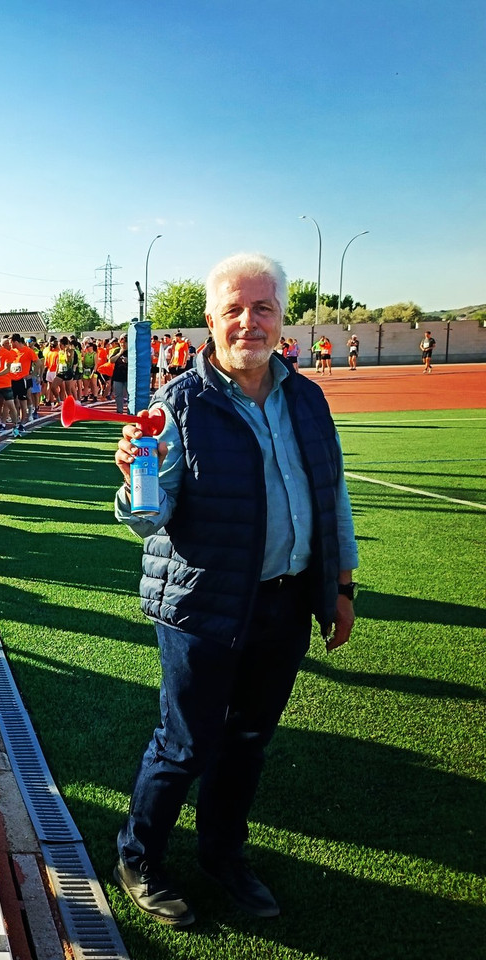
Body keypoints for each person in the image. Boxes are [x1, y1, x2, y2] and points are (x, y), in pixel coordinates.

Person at [110, 253, 358, 927]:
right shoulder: (177, 404)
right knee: (184, 744)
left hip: (285, 602)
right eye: (234, 309)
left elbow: (330, 495)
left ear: (282, 317)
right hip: (201, 605)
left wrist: (341, 585)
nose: (249, 321)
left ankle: (223, 854)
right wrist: (135, 474)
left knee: (248, 739)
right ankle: (140, 857)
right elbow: (146, 518)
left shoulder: (306, 396)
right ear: (211, 321)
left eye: (263, 307)